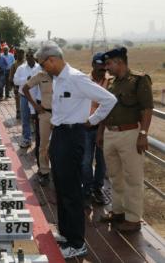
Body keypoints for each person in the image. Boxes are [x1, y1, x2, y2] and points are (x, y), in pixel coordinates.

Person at [36, 41, 116, 259]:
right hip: (61, 135)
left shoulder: (76, 78)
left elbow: (109, 99)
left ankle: (77, 243)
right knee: (60, 187)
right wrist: (52, 141)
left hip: (73, 136)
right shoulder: (59, 79)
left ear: (52, 59)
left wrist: (91, 120)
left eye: (44, 65)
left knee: (71, 191)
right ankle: (66, 233)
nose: (44, 69)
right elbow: (60, 114)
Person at [98, 47, 153, 232]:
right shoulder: (111, 83)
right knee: (114, 176)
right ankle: (118, 211)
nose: (106, 67)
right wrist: (100, 133)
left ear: (119, 62)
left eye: (109, 63)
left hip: (130, 134)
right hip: (110, 133)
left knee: (133, 178)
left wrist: (143, 134)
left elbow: (147, 109)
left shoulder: (139, 80)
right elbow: (105, 109)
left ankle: (133, 219)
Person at [81, 53, 111, 207]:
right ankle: (86, 189)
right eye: (99, 69)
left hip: (103, 127)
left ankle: (97, 189)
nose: (102, 72)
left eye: (104, 69)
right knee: (85, 161)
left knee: (102, 161)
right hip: (86, 127)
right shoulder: (84, 80)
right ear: (93, 65)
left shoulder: (110, 82)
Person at [22, 64, 53, 186]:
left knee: (58, 146)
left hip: (61, 116)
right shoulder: (40, 76)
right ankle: (44, 172)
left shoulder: (62, 76)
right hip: (45, 113)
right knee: (43, 145)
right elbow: (25, 88)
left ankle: (58, 171)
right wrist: (35, 106)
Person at [13, 49, 40, 148]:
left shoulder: (39, 68)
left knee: (37, 120)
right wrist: (26, 80)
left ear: (35, 57)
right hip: (24, 97)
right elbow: (15, 81)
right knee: (25, 119)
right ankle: (27, 139)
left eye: (31, 55)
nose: (28, 57)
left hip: (36, 98)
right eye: (27, 55)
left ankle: (39, 141)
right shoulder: (21, 68)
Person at [9, 48, 25, 119]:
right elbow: (11, 76)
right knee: (18, 99)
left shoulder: (26, 64)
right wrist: (13, 86)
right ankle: (18, 111)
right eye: (18, 53)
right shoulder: (14, 64)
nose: (20, 55)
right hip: (17, 86)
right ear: (16, 54)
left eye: (21, 54)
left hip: (25, 86)